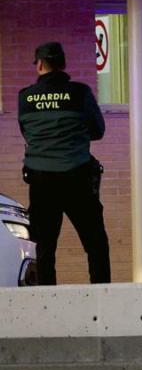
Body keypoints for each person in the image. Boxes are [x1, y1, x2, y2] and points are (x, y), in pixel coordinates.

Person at [16, 41, 110, 285]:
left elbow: (28, 134)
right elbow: (98, 131)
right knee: (95, 244)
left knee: (44, 249)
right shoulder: (80, 93)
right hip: (77, 177)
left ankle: (48, 306)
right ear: (63, 64)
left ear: (40, 65)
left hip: (41, 181)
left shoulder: (25, 98)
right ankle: (102, 299)